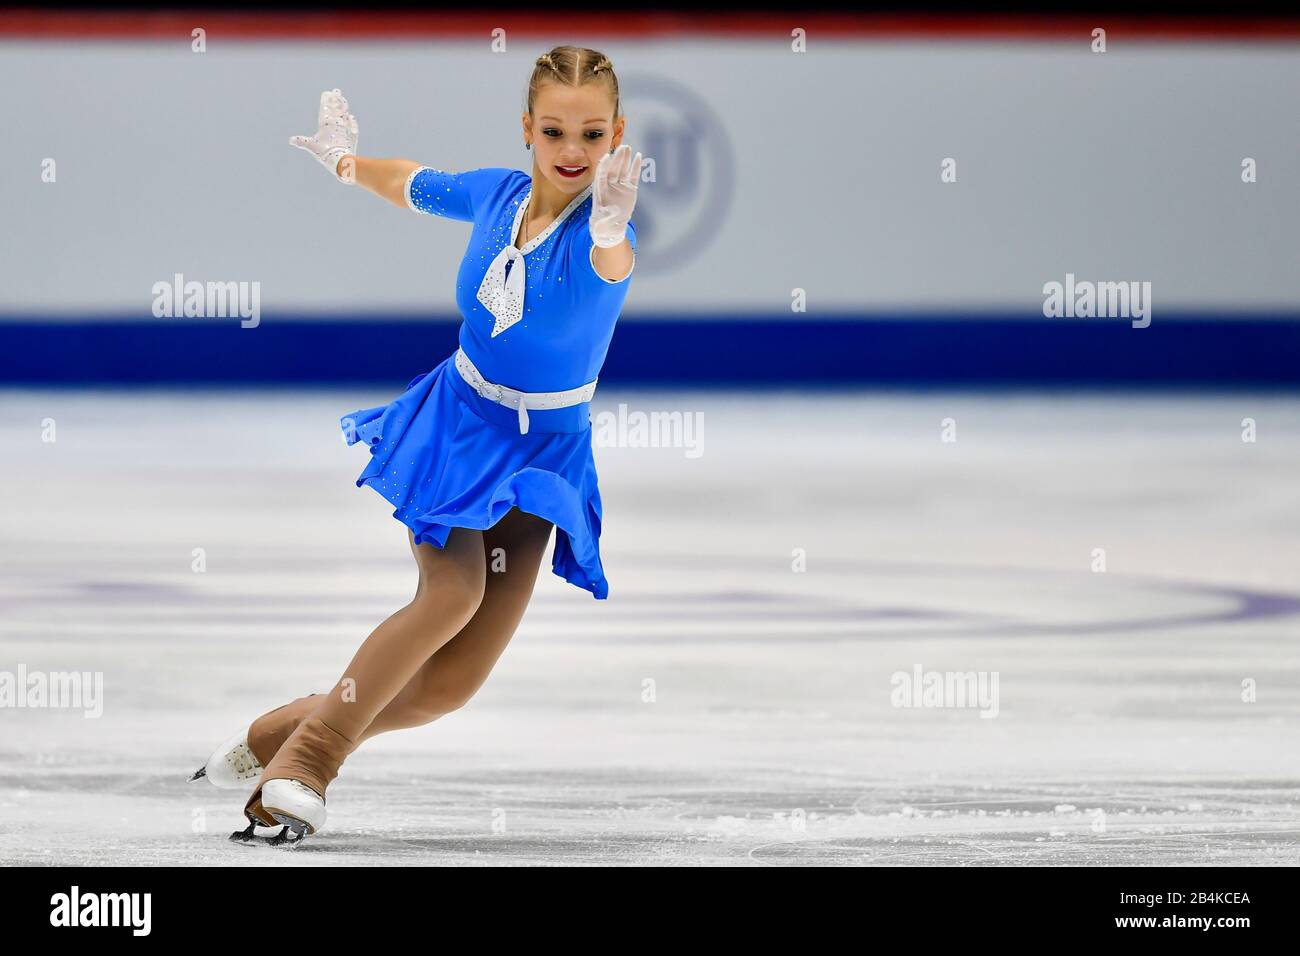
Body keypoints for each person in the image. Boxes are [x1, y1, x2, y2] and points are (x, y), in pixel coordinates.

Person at [190, 46, 641, 843]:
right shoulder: (496, 195)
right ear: (527, 130)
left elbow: (613, 264)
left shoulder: (604, 234)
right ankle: (309, 765)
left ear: (617, 136)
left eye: (593, 134)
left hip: (541, 459)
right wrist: (344, 163)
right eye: (555, 130)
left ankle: (276, 737)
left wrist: (608, 227)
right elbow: (411, 184)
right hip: (459, 428)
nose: (573, 151)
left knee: (450, 687)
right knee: (452, 592)